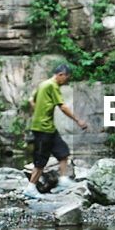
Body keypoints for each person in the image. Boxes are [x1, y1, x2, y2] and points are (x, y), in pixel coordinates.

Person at [23, 63, 88, 198]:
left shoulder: (43, 84)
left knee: (63, 152)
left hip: (49, 128)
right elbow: (62, 107)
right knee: (41, 160)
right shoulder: (52, 85)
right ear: (60, 75)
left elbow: (31, 100)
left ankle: (63, 180)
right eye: (66, 78)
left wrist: (39, 111)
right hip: (42, 129)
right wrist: (78, 120)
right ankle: (31, 188)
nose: (66, 81)